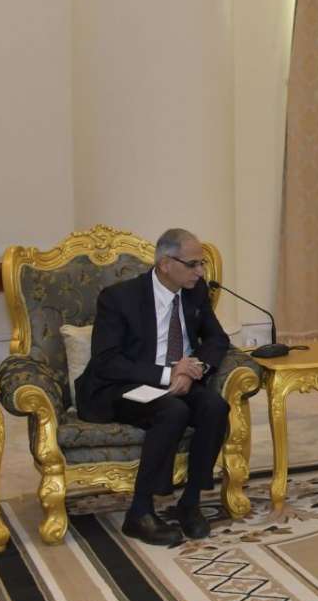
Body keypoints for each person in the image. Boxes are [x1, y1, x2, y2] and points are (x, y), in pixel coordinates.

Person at [77, 228, 231, 546]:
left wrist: (193, 371)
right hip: (121, 386)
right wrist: (168, 373)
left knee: (215, 407)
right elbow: (107, 361)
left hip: (178, 378)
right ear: (165, 264)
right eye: (193, 264)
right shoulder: (119, 298)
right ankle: (140, 511)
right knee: (172, 411)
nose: (200, 272)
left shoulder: (195, 291)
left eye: (202, 263)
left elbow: (217, 339)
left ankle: (189, 502)